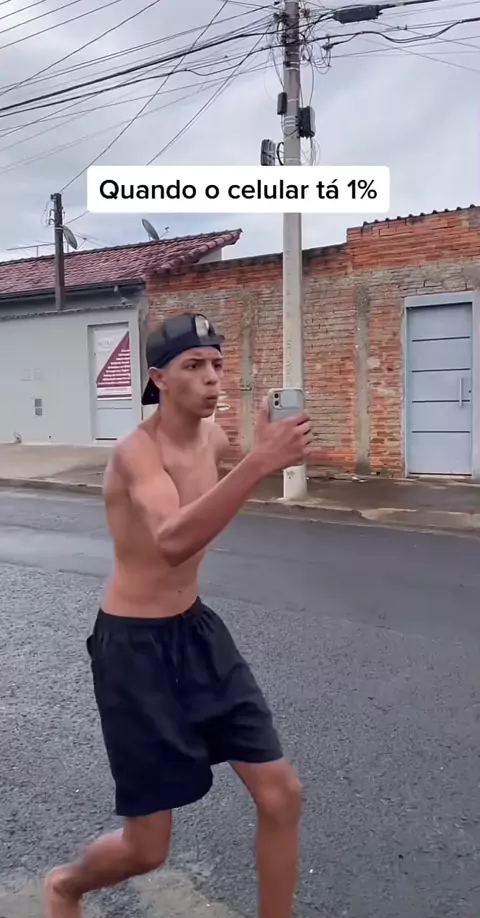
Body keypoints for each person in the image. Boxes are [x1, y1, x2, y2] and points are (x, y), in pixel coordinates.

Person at [45, 311, 312, 918]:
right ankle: (65, 886)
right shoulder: (136, 454)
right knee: (147, 849)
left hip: (196, 632)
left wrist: (265, 447)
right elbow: (171, 540)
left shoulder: (213, 439)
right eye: (194, 366)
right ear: (158, 378)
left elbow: (221, 490)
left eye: (217, 363)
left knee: (281, 795)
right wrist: (257, 465)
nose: (212, 378)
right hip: (134, 650)